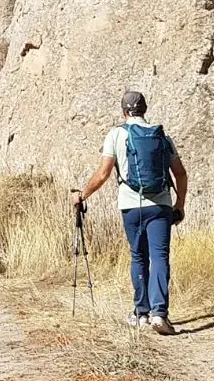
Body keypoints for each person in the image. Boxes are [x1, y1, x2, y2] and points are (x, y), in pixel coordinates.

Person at [70, 89, 189, 335]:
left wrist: (82, 195)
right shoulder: (162, 137)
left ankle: (141, 313)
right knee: (160, 257)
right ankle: (160, 314)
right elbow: (180, 173)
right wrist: (179, 205)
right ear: (145, 109)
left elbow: (103, 174)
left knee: (138, 257)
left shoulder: (116, 135)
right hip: (160, 205)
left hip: (130, 206)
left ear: (124, 111)